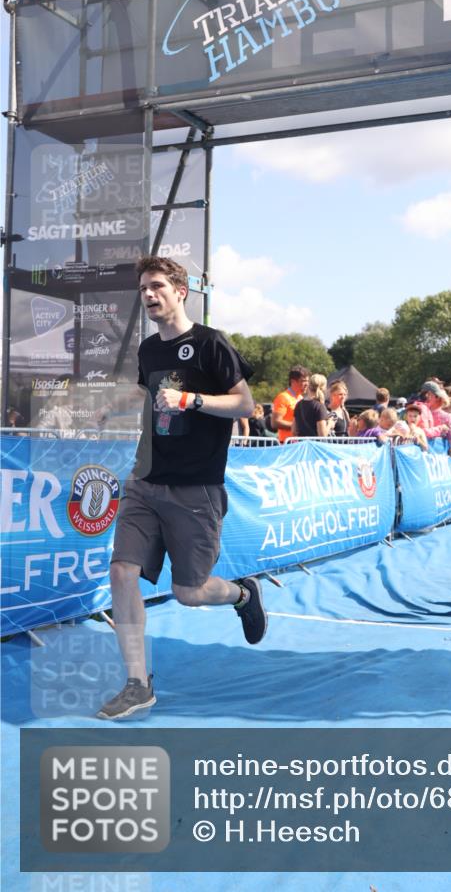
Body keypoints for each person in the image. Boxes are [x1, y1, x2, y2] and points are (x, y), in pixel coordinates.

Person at [97, 256, 265, 720]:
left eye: (157, 286)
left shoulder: (211, 344)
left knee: (190, 592)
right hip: (145, 479)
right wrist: (115, 406)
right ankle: (137, 684)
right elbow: (148, 396)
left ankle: (243, 594)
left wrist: (191, 400)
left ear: (180, 291)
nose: (149, 295)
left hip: (196, 487)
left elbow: (245, 405)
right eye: (143, 289)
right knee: (122, 571)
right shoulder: (149, 350)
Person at [271, 366, 309, 444]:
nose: (307, 384)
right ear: (293, 381)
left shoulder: (301, 398)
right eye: (303, 381)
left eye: (308, 381)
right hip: (286, 443)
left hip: (299, 443)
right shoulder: (283, 397)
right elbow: (275, 423)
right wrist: (298, 426)